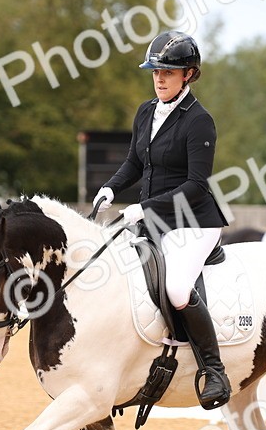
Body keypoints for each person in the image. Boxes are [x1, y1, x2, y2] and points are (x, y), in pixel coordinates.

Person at [92, 31, 231, 409]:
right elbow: (135, 162)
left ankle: (214, 370)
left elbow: (197, 185)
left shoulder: (199, 121)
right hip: (153, 219)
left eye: (168, 73)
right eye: (155, 71)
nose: (159, 79)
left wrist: (145, 208)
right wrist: (110, 188)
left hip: (193, 222)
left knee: (177, 291)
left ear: (188, 74)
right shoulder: (146, 111)